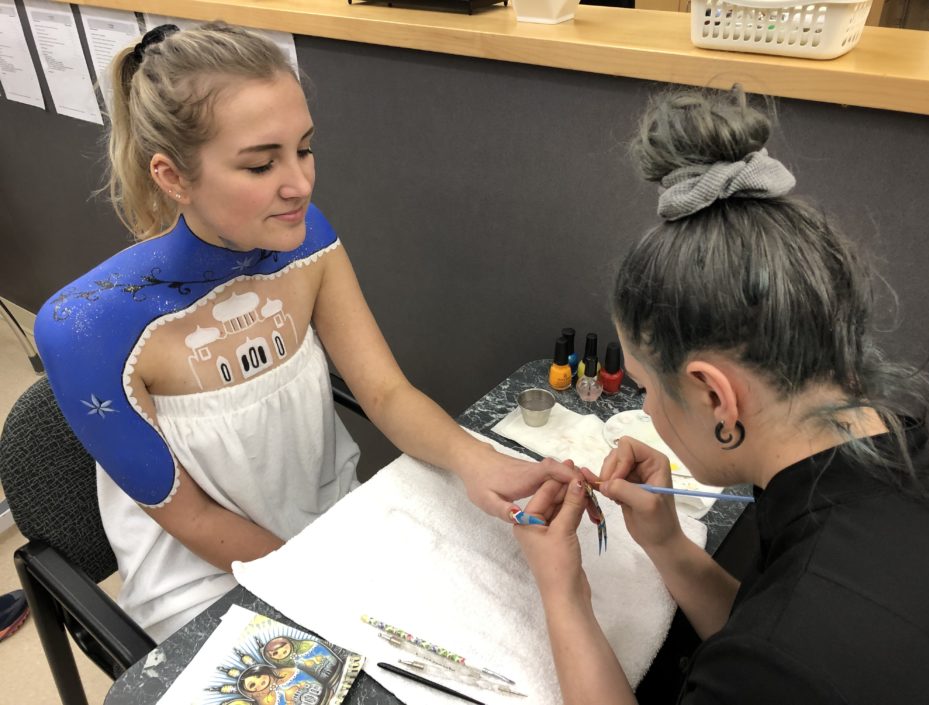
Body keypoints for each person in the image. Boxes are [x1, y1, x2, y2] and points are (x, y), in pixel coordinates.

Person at [34, 21, 574, 641]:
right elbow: (190, 517)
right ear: (172, 177)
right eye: (262, 164)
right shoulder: (89, 330)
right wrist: (324, 584)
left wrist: (476, 461)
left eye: (305, 149)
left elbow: (386, 394)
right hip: (205, 580)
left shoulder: (305, 241)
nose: (300, 185)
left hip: (332, 521)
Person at [513, 87, 929, 704]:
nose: (650, 413)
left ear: (716, 396)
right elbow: (759, 632)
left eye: (646, 387)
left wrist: (563, 595)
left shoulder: (788, 655)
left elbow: (773, 655)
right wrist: (666, 544)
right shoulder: (896, 458)